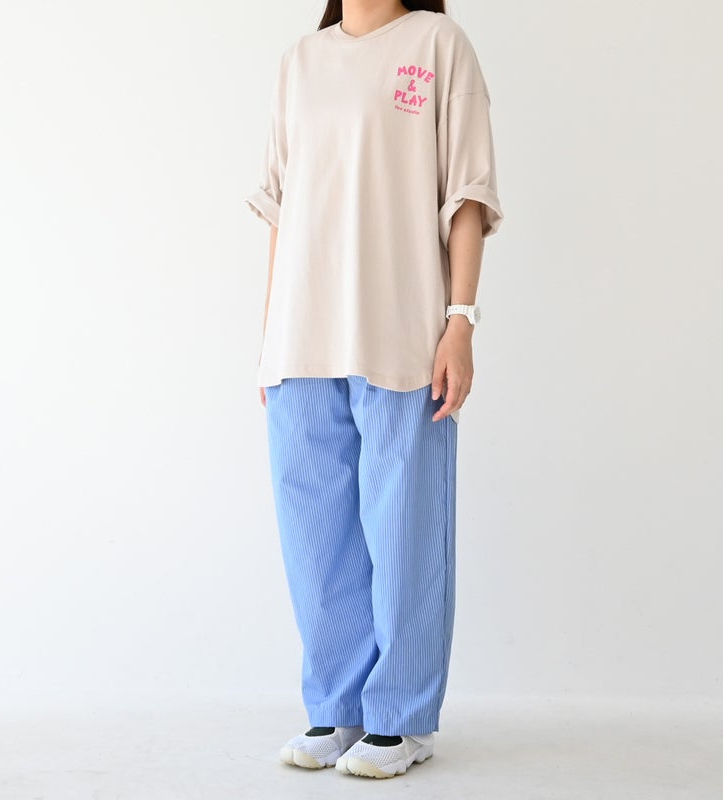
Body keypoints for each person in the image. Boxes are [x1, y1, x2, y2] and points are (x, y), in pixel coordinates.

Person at [244, 0, 504, 780]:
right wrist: (269, 337)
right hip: (301, 338)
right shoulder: (300, 61)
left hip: (401, 334)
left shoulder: (438, 43)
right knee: (315, 538)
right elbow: (281, 211)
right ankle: (339, 706)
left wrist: (460, 322)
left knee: (405, 529)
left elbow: (467, 194)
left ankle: (402, 717)